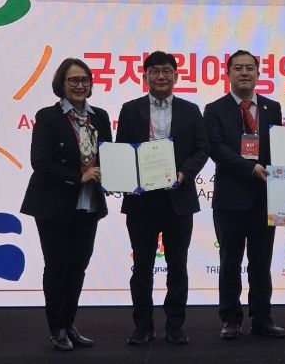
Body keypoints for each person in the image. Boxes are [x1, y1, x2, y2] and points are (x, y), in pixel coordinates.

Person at [116, 51, 209, 346]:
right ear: (145, 76)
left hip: (178, 199)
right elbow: (122, 151)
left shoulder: (191, 110)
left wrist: (184, 174)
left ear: (176, 76)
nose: (160, 76)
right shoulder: (130, 110)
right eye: (154, 71)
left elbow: (202, 149)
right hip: (141, 201)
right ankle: (142, 326)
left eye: (166, 71)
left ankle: (175, 326)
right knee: (142, 267)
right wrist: (127, 178)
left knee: (177, 267)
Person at [21, 58, 112, 351]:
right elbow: (40, 162)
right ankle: (57, 328)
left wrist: (118, 176)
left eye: (84, 80)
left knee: (78, 267)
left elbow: (109, 158)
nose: (80, 85)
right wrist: (78, 176)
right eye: (73, 80)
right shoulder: (48, 117)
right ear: (61, 83)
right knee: (57, 266)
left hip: (88, 204)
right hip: (54, 204)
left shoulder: (100, 116)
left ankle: (70, 324)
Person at [203, 49, 285, 339]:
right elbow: (216, 148)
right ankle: (231, 319)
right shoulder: (214, 109)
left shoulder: (272, 107)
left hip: (265, 198)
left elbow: (279, 147)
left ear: (258, 73)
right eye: (238, 68)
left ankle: (262, 318)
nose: (244, 73)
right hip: (230, 198)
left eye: (250, 68)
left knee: (261, 262)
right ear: (228, 73)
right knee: (230, 261)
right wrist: (249, 168)